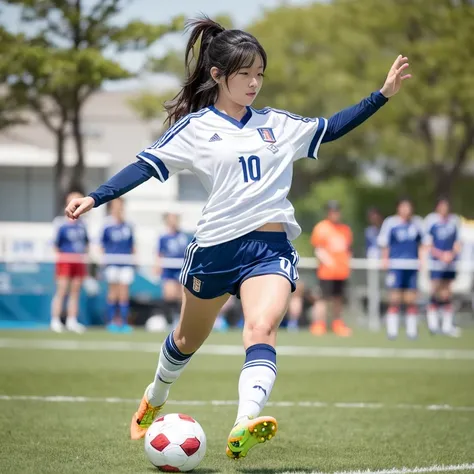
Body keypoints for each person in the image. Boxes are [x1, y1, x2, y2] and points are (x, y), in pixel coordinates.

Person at [64, 17, 411, 460]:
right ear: (217, 75)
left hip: (269, 249)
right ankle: (154, 397)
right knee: (187, 340)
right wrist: (96, 197)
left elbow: (333, 126)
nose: (254, 83)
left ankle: (244, 421)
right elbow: (142, 166)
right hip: (214, 251)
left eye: (260, 74)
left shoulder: (278, 124)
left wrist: (380, 96)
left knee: (261, 328)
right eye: (245, 74)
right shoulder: (194, 129)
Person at [378, 198, 423, 340]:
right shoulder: (391, 223)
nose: (406, 210)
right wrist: (385, 260)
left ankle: (411, 331)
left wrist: (422, 261)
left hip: (412, 266)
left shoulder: (417, 223)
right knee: (394, 298)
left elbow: (423, 243)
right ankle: (392, 331)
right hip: (396, 266)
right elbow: (385, 243)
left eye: (408, 207)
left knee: (411, 298)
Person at [310, 201, 353, 336]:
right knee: (322, 299)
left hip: (341, 272)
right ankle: (319, 324)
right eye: (332, 211)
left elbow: (348, 249)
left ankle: (337, 324)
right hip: (326, 273)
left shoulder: (345, 229)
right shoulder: (321, 228)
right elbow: (318, 249)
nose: (334, 214)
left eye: (336, 211)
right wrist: (329, 262)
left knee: (338, 299)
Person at [51, 191, 89, 333]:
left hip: (78, 261)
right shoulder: (60, 223)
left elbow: (86, 244)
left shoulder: (83, 225)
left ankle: (71, 320)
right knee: (61, 291)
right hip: (65, 261)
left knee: (75, 292)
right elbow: (55, 245)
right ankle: (55, 320)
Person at [423, 198, 462, 337]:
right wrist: (440, 255)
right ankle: (433, 325)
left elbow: (458, 242)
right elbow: (427, 243)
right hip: (436, 263)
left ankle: (447, 325)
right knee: (435, 291)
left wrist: (451, 254)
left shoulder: (455, 221)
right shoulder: (431, 220)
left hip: (450, 263)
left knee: (447, 293)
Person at [101, 197, 135, 333]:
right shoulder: (107, 225)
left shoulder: (128, 225)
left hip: (125, 262)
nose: (119, 208)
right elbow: (102, 245)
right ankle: (111, 321)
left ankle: (123, 322)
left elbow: (132, 245)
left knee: (124, 293)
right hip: (112, 262)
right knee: (113, 293)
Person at [155, 213, 190, 328]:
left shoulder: (183, 236)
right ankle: (168, 321)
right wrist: (157, 265)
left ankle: (180, 321)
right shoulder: (163, 237)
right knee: (169, 295)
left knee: (182, 295)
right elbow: (159, 253)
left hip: (181, 268)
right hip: (169, 268)